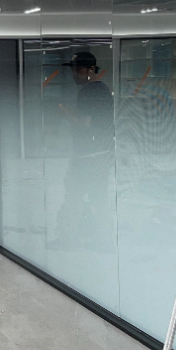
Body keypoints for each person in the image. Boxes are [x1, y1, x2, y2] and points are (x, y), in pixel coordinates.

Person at [52, 51, 115, 250]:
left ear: (91, 69)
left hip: (88, 156)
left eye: (78, 70)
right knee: (98, 197)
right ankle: (103, 241)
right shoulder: (101, 90)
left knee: (73, 196)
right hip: (101, 153)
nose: (74, 74)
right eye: (72, 70)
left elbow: (85, 124)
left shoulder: (90, 91)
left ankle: (68, 240)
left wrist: (65, 112)